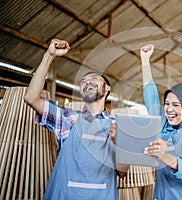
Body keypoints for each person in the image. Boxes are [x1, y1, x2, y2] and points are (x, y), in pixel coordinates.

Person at [24, 39, 127, 200]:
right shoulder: (67, 118)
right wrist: (49, 55)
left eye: (94, 78)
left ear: (107, 88)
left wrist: (119, 143)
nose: (88, 82)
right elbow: (31, 98)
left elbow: (122, 172)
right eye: (83, 81)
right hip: (64, 195)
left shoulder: (117, 125)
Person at [140, 44, 182, 199]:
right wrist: (145, 61)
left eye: (176, 105)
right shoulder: (164, 127)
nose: (169, 109)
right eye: (167, 104)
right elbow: (151, 97)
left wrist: (164, 156)